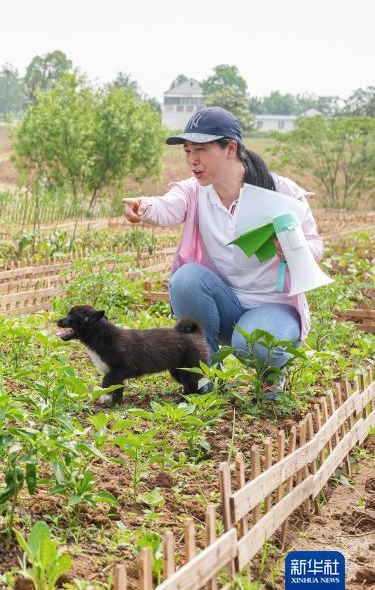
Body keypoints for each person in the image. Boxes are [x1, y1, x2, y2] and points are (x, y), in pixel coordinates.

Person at [122, 107, 323, 396]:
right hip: (223, 303)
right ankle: (204, 377)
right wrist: (144, 206)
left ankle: (270, 376)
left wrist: (295, 250)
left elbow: (315, 244)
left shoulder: (280, 191)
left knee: (255, 344)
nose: (193, 160)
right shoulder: (195, 190)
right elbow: (168, 205)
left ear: (230, 148)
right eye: (188, 151)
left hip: (272, 306)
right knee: (186, 278)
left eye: (201, 150)